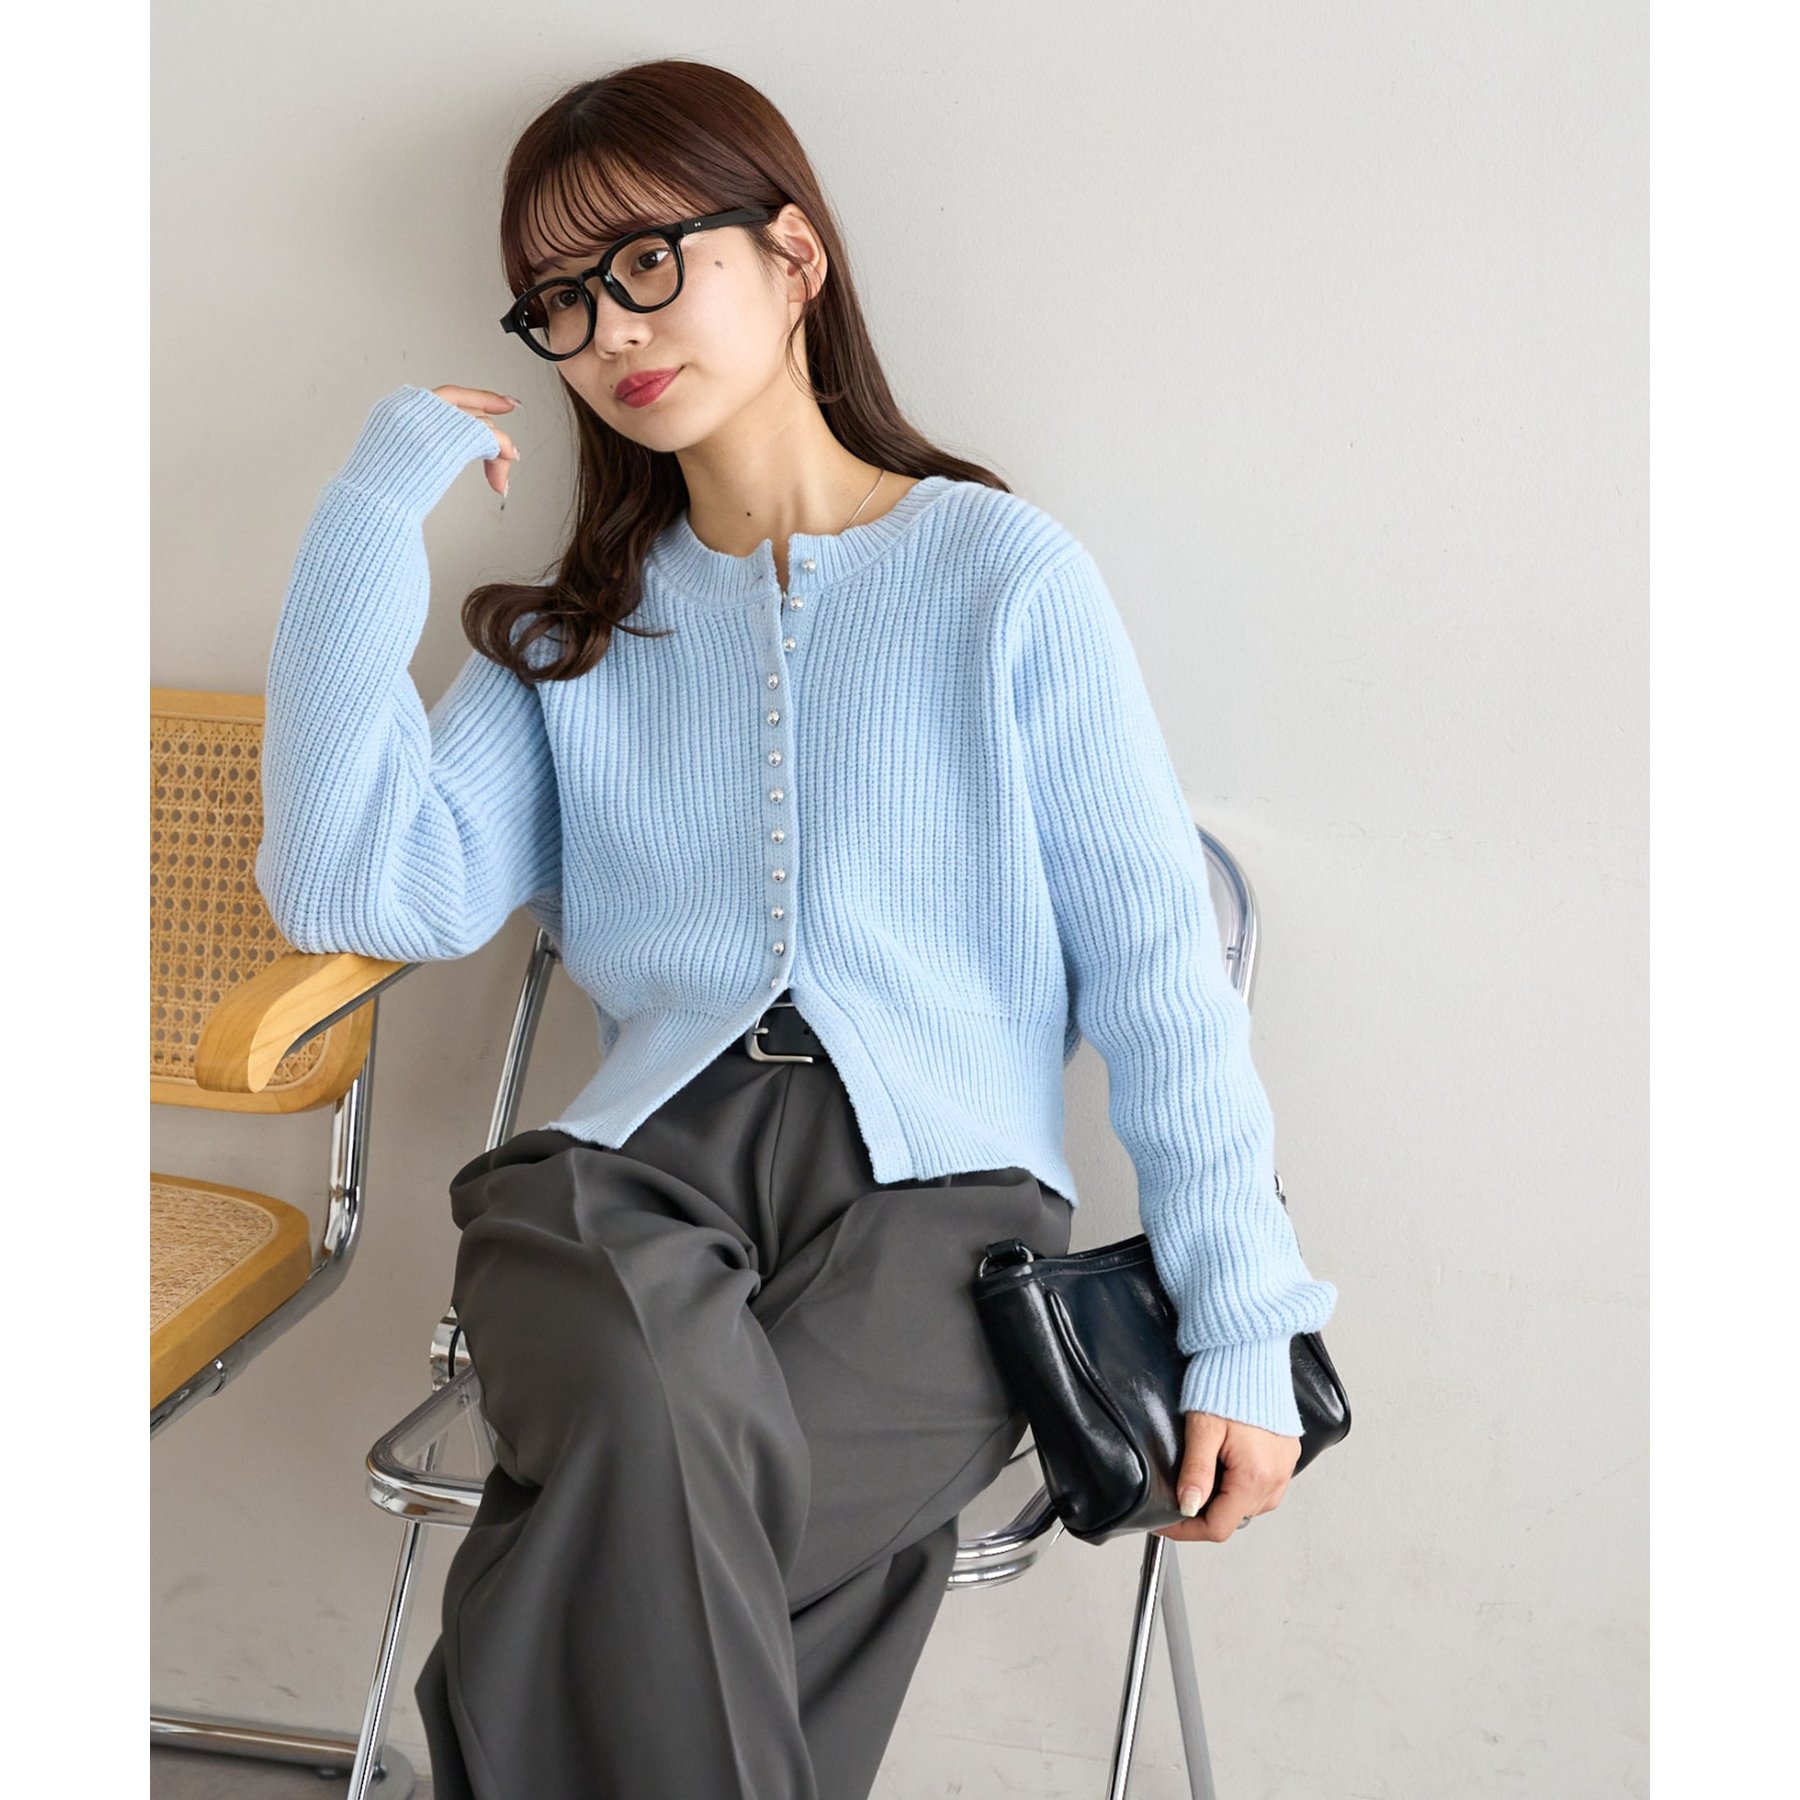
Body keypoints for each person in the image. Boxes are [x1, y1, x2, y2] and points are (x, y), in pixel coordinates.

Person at [256, 56, 1340, 1800]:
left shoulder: (1002, 577)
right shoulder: (571, 641)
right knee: (665, 1450)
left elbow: (1159, 979)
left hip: (943, 1215)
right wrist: (368, 518)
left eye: (646, 260)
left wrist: (1244, 1318)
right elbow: (348, 890)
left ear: (794, 256)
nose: (609, 328)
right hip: (619, 1190)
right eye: (558, 299)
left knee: (612, 1568)